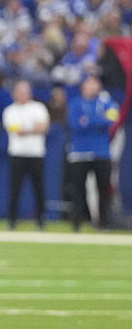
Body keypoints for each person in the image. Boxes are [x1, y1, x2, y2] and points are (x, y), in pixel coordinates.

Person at [67, 76, 120, 231]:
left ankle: (103, 223)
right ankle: (76, 223)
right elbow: (75, 124)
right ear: (83, 86)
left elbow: (112, 118)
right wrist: (99, 120)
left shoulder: (105, 101)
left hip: (101, 152)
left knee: (103, 189)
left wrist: (89, 120)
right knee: (78, 189)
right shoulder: (76, 103)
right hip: (79, 152)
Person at [1, 80, 49, 230]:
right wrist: (32, 129)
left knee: (39, 188)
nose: (23, 94)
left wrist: (28, 130)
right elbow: (16, 130)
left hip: (36, 153)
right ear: (14, 93)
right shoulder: (10, 111)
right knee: (15, 189)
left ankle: (41, 220)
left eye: (25, 91)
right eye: (20, 91)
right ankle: (12, 220)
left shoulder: (38, 107)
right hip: (17, 154)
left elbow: (44, 126)